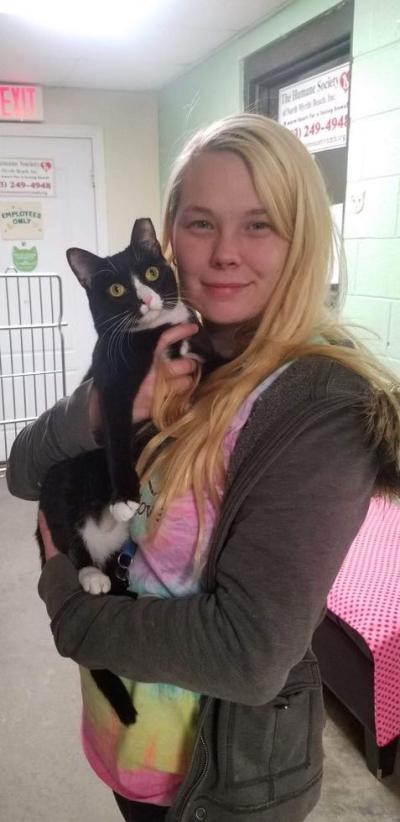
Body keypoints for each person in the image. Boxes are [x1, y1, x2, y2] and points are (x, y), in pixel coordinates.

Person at [7, 113, 400, 822]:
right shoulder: (162, 350)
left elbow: (249, 654)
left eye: (259, 224)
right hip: (125, 744)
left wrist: (69, 610)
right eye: (200, 223)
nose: (224, 254)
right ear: (167, 234)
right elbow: (23, 473)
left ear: (303, 237)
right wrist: (105, 410)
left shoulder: (320, 408)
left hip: (217, 785)